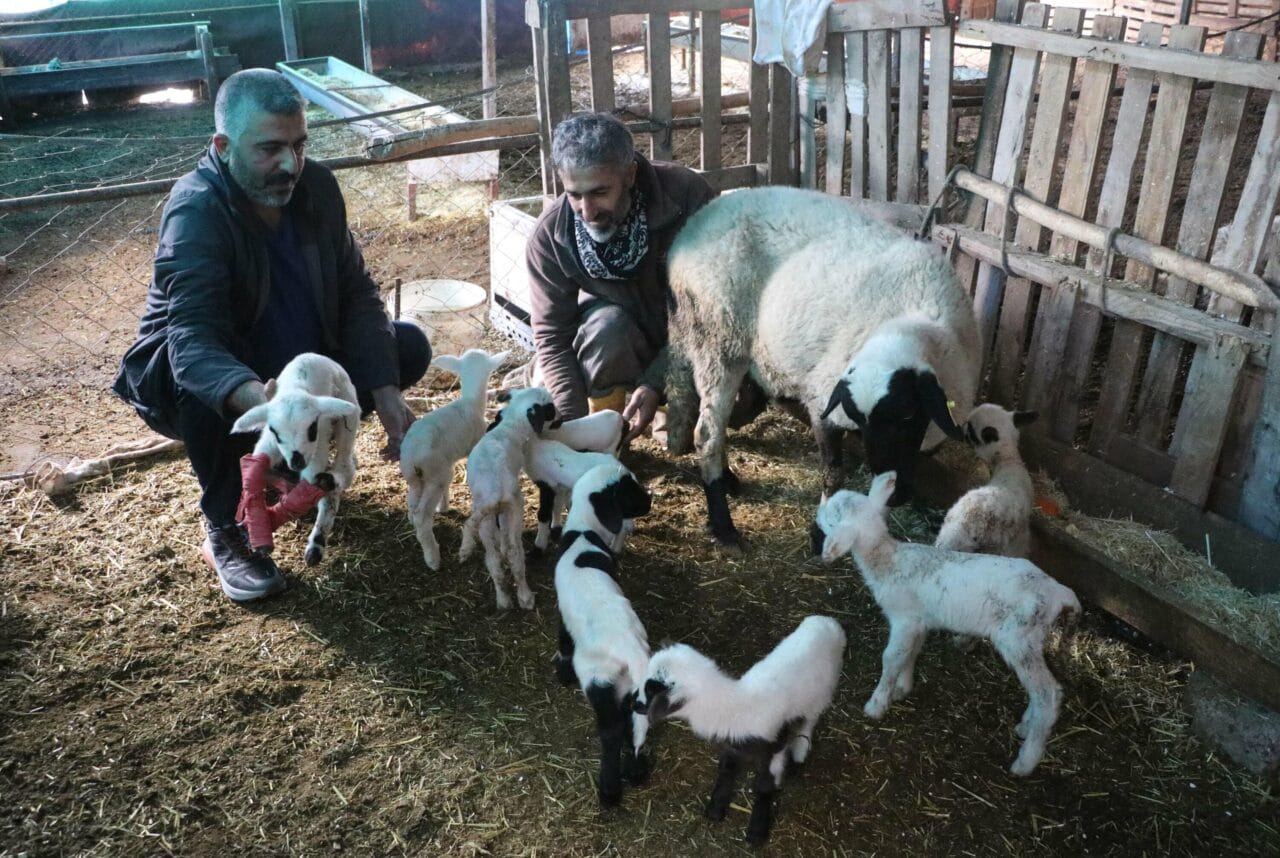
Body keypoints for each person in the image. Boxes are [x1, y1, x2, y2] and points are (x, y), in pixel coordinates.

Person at [113, 69, 429, 603]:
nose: (290, 164)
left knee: (404, 348)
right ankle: (225, 524)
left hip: (299, 366)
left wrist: (387, 392)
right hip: (225, 377)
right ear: (222, 145)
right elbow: (192, 339)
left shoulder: (318, 190)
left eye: (299, 145)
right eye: (270, 149)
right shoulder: (196, 210)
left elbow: (356, 294)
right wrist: (269, 404)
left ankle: (293, 465)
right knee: (193, 374)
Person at [524, 112, 718, 444]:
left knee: (691, 435)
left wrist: (656, 383)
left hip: (690, 332)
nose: (586, 210)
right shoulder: (551, 236)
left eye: (599, 192)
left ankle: (660, 408)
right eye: (574, 194)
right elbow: (552, 335)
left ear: (629, 175)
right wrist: (574, 427)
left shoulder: (686, 196)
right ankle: (609, 424)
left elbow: (711, 311)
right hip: (617, 342)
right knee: (606, 328)